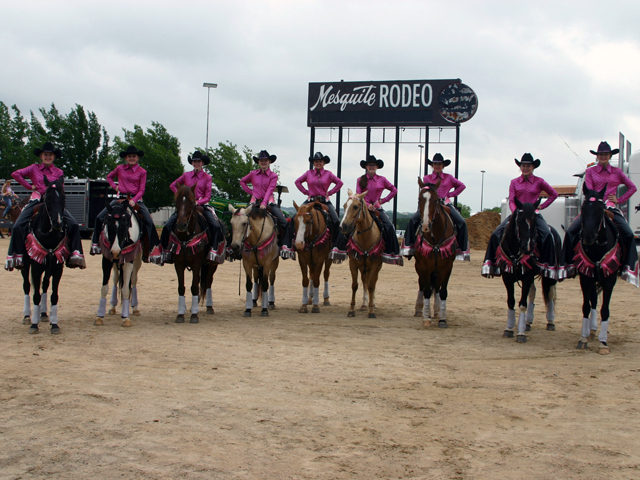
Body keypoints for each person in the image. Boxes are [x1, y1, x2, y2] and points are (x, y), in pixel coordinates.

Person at [563, 141, 638, 286]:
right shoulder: (590, 172)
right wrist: (595, 202)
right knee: (571, 231)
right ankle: (568, 266)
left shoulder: (617, 172)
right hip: (593, 207)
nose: (603, 157)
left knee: (628, 234)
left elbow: (632, 187)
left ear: (610, 156)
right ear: (597, 156)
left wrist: (619, 199)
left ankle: (627, 267)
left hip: (610, 207)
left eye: (605, 154)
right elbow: (590, 190)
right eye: (600, 155)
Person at [4, 142, 85, 271]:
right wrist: (29, 186)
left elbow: (60, 187)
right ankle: (17, 256)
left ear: (54, 157)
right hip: (37, 199)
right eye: (45, 155)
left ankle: (74, 255)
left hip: (53, 201)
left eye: (50, 155)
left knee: (74, 224)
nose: (48, 157)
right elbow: (15, 174)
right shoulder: (33, 168)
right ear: (41, 156)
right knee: (18, 224)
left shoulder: (59, 172)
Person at [482, 153, 561, 279]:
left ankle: (546, 265)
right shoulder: (514, 182)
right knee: (495, 234)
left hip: (533, 215)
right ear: (520, 167)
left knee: (547, 234)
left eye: (528, 166)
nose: (525, 168)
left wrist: (542, 206)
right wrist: (515, 212)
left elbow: (554, 194)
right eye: (523, 165)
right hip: (517, 214)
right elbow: (512, 200)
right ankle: (492, 265)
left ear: (533, 167)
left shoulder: (539, 181)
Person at [90, 145, 161, 261]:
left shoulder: (142, 171)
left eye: (134, 156)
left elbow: (142, 190)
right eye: (129, 156)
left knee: (148, 220)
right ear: (126, 158)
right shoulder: (119, 168)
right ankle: (95, 244)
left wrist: (134, 200)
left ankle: (152, 250)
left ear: (137, 157)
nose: (131, 158)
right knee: (99, 217)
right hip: (120, 198)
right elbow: (109, 177)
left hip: (135, 199)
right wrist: (115, 187)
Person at [155, 151, 226, 265]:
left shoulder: (207, 177)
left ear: (202, 163)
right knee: (168, 225)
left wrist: (197, 202)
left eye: (198, 161)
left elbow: (207, 196)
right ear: (192, 163)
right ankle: (165, 252)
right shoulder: (186, 175)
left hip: (201, 205)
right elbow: (172, 185)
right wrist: (181, 196)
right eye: (194, 161)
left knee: (216, 226)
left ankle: (214, 251)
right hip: (186, 206)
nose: (196, 163)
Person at [330, 155, 403, 265]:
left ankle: (390, 252)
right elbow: (359, 195)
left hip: (377, 208)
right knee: (347, 223)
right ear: (366, 167)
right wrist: (368, 205)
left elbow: (394, 190)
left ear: (377, 166)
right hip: (363, 208)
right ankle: (340, 250)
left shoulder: (382, 180)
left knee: (389, 226)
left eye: (373, 165)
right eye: (369, 165)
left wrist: (382, 201)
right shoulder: (360, 179)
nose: (371, 167)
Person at [402, 153, 470, 261]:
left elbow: (462, 186)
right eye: (435, 164)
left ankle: (461, 249)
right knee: (413, 220)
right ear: (432, 165)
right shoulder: (427, 178)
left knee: (461, 222)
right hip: (430, 204)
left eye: (439, 164)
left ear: (443, 166)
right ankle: (409, 247)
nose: (437, 166)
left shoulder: (449, 178)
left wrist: (450, 195)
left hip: (445, 203)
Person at [239, 150, 292, 258]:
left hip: (269, 202)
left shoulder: (273, 176)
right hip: (254, 202)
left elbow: (270, 189)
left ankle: (284, 246)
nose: (263, 162)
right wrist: (251, 192)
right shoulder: (253, 174)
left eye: (265, 160)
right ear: (258, 162)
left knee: (283, 222)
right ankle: (235, 247)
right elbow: (242, 181)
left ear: (269, 162)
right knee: (239, 219)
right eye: (261, 160)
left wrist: (264, 202)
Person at [294, 151, 343, 243]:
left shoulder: (328, 174)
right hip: (310, 200)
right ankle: (292, 244)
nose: (318, 163)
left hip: (324, 201)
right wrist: (306, 192)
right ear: (313, 163)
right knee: (295, 217)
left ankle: (335, 245)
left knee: (336, 221)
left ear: (324, 163)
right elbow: (297, 182)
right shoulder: (308, 173)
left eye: (320, 161)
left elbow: (340, 183)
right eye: (316, 161)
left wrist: (330, 192)